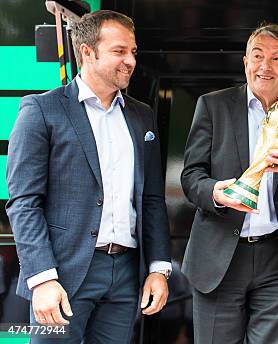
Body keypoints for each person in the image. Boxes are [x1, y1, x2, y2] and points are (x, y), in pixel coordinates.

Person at [5, 10, 171, 343]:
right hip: (61, 274)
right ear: (87, 52)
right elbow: (24, 203)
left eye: (133, 52)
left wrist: (158, 268)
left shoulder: (142, 116)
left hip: (126, 274)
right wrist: (42, 278)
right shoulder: (41, 110)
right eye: (119, 51)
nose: (130, 61)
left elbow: (151, 198)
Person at [180, 23, 278, 343]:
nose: (265, 65)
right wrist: (216, 193)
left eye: (277, 58)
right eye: (257, 55)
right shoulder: (213, 105)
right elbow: (191, 176)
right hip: (220, 255)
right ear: (245, 62)